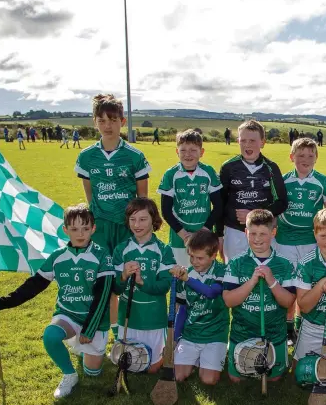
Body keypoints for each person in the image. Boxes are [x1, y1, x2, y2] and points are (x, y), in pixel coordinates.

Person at [0, 204, 115, 398]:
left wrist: (89, 329)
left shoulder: (102, 255)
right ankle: (69, 375)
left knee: (93, 373)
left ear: (93, 228)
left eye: (85, 228)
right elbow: (33, 286)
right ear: (65, 230)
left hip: (94, 320)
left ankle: (85, 350)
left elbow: (103, 295)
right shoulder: (57, 257)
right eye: (74, 229)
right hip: (68, 315)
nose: (80, 233)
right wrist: (3, 302)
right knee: (50, 336)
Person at [74, 93, 151, 341]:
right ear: (94, 122)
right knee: (103, 281)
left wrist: (139, 226)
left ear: (123, 121)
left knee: (127, 278)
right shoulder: (86, 156)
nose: (108, 125)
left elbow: (143, 200)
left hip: (128, 228)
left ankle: (124, 334)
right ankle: (103, 331)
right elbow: (90, 195)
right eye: (102, 120)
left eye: (113, 119)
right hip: (101, 228)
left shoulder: (134, 156)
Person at [223, 209, 296, 383]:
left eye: (263, 233)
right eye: (253, 233)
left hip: (274, 334)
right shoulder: (236, 263)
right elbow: (228, 300)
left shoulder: (285, 264)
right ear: (245, 232)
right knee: (236, 379)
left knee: (274, 379)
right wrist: (251, 282)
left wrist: (271, 281)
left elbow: (287, 302)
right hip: (242, 333)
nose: (257, 239)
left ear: (273, 232)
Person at [275, 138, 326, 344]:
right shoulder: (283, 180)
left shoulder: (322, 182)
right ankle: (287, 327)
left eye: (310, 155)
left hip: (310, 240)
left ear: (316, 158)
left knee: (306, 285)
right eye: (300, 155)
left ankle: (301, 325)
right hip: (285, 240)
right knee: (288, 285)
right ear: (292, 157)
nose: (305, 159)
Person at [113, 198, 175, 373]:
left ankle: (169, 353)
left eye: (142, 219)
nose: (136, 224)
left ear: (153, 220)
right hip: (129, 318)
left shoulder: (164, 250)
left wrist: (141, 282)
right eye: (132, 220)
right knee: (132, 367)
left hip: (153, 319)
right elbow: (116, 289)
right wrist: (123, 276)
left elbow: (164, 287)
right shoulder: (121, 249)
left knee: (151, 369)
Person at [217, 119, 288, 264]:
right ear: (238, 141)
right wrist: (219, 235)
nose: (247, 145)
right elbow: (220, 203)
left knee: (263, 275)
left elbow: (282, 203)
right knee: (234, 276)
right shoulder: (228, 167)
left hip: (263, 232)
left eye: (252, 140)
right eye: (243, 140)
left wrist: (253, 214)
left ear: (262, 142)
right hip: (234, 231)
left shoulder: (271, 168)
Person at [170, 230, 229, 385]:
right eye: (191, 257)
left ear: (214, 255)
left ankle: (213, 357)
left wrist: (188, 279)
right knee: (178, 377)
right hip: (191, 334)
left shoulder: (223, 271)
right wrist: (175, 339)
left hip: (215, 334)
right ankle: (196, 359)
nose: (194, 261)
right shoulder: (187, 275)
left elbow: (211, 293)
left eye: (200, 258)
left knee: (208, 380)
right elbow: (182, 309)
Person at [157, 128, 222, 267]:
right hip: (179, 237)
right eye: (183, 150)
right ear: (177, 152)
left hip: (204, 234)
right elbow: (166, 211)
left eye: (193, 150)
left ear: (201, 152)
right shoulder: (170, 175)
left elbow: (218, 206)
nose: (188, 154)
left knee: (203, 275)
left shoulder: (208, 172)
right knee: (182, 275)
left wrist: (205, 230)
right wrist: (185, 236)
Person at [293, 208, 326, 368]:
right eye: (323, 236)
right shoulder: (306, 263)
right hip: (314, 326)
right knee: (300, 371)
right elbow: (304, 306)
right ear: (315, 234)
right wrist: (322, 284)